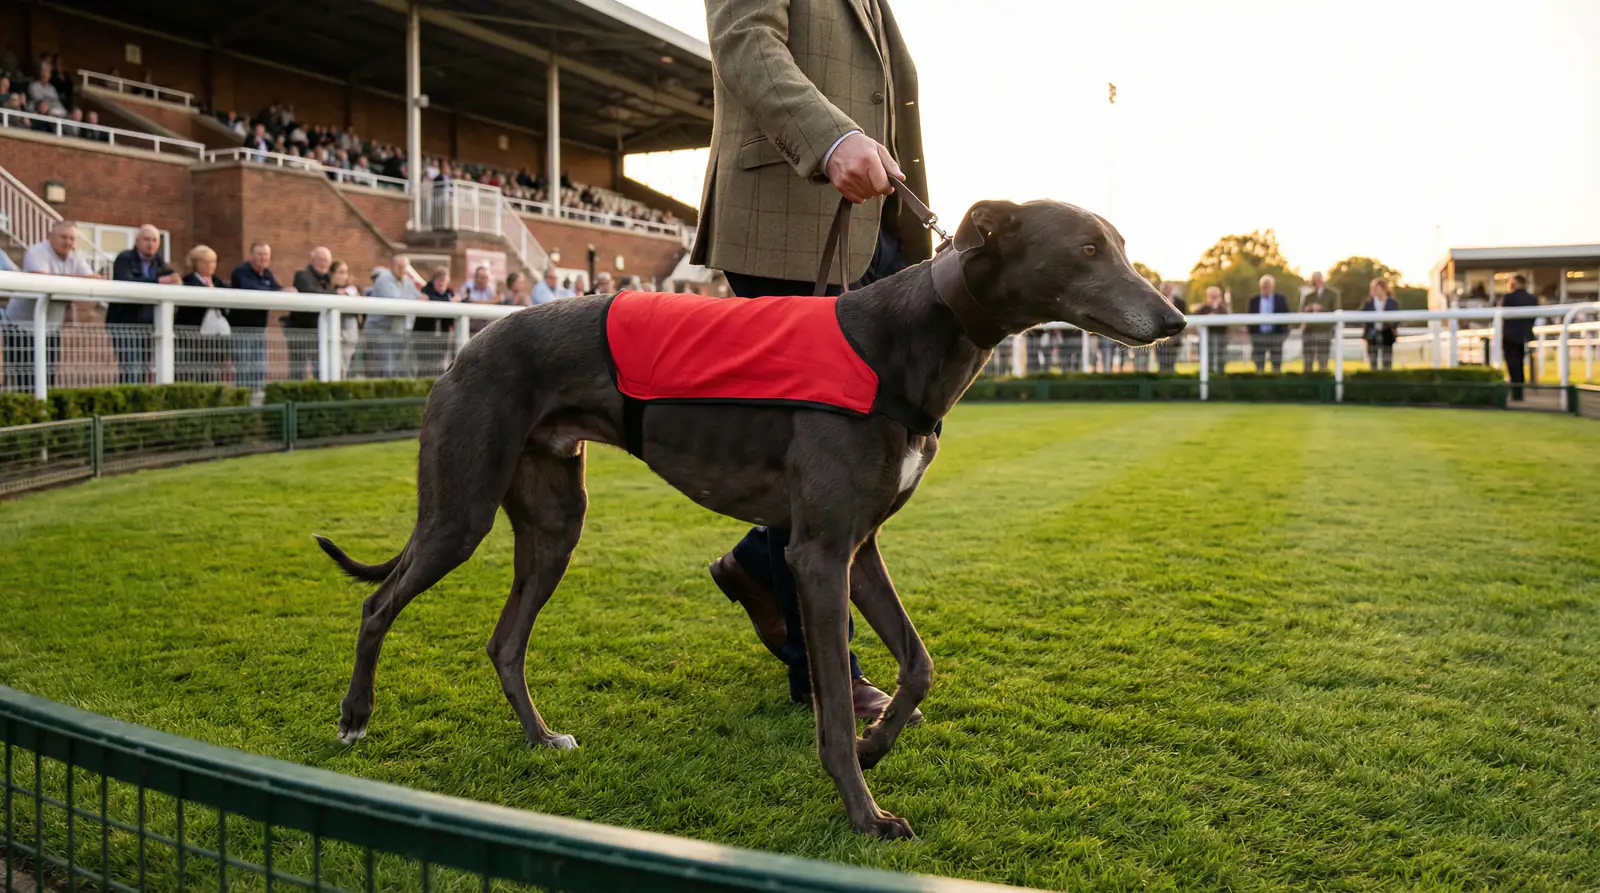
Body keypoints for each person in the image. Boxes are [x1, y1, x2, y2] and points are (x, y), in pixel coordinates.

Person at [694, 0, 932, 718]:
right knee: (827, 453)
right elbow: (743, 40)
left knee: (897, 437)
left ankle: (760, 564)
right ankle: (825, 670)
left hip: (877, 227)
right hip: (789, 216)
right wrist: (831, 140)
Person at [108, 224, 180, 384]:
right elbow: (126, 282)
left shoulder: (159, 262)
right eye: (147, 239)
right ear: (137, 241)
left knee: (143, 368)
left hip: (148, 324)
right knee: (131, 368)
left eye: (154, 240)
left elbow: (171, 278)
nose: (150, 244)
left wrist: (176, 280)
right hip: (125, 322)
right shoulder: (124, 258)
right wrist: (159, 281)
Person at [228, 240, 293, 393]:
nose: (263, 258)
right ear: (251, 256)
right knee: (244, 365)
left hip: (259, 328)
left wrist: (287, 290)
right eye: (260, 254)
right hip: (241, 329)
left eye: (266, 255)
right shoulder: (241, 271)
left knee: (259, 365)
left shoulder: (267, 273)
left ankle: (257, 396)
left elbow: (275, 288)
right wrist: (277, 292)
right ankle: (243, 396)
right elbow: (251, 289)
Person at [365, 255, 424, 377]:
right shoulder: (383, 279)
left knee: (399, 366)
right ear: (392, 266)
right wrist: (415, 299)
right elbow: (396, 302)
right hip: (380, 330)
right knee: (387, 366)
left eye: (405, 267)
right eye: (400, 267)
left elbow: (418, 297)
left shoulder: (407, 281)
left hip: (398, 331)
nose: (403, 270)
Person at [178, 245, 227, 382]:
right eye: (208, 262)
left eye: (214, 262)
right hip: (193, 335)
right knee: (191, 369)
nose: (212, 266)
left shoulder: (218, 282)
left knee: (211, 370)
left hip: (214, 337)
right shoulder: (188, 281)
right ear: (198, 264)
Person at [1500, 274, 1538, 400]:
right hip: (1524, 336)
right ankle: (1519, 392)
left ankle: (1516, 392)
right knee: (1520, 364)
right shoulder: (1533, 299)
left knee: (1512, 365)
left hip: (1510, 337)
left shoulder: (1508, 298)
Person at [418, 268, 456, 374]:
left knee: (440, 360)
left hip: (443, 334)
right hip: (425, 334)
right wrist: (449, 301)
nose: (441, 283)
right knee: (425, 362)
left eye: (444, 280)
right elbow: (428, 300)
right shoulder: (426, 290)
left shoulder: (449, 292)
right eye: (439, 280)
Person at [1248, 275, 1289, 372]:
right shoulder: (1254, 300)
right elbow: (1249, 318)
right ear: (1260, 286)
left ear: (1272, 286)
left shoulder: (1280, 299)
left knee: (1276, 363)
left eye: (1268, 285)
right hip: (1259, 336)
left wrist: (1283, 334)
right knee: (1259, 363)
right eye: (1264, 285)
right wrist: (1252, 335)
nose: (1266, 287)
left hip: (1275, 335)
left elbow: (1286, 316)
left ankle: (1276, 382)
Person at [1360, 277, 1400, 371]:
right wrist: (1364, 334)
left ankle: (1386, 379)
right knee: (1373, 360)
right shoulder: (1368, 303)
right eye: (1376, 289)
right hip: (1372, 334)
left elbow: (1396, 320)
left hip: (1387, 333)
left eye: (1380, 289)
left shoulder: (1393, 303)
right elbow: (1363, 320)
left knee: (1387, 360)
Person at [329, 260, 362, 373]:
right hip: (332, 332)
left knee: (345, 365)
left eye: (346, 272)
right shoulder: (327, 290)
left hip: (349, 332)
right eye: (341, 272)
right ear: (333, 274)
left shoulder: (352, 289)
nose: (344, 276)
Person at [1301, 271, 1335, 373]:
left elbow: (1336, 311)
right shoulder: (1308, 296)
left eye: (1317, 281)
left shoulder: (1332, 294)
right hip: (1309, 331)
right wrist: (1309, 309)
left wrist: (1321, 309)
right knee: (1307, 360)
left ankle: (1323, 380)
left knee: (1323, 359)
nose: (1315, 284)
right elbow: (1302, 311)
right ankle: (1307, 381)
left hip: (1324, 331)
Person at [1193, 286, 1229, 375]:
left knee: (1221, 361)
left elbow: (1226, 324)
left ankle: (1220, 377)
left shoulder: (1223, 309)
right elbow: (1194, 317)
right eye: (1211, 297)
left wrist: (1216, 311)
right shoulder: (1203, 309)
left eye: (1215, 297)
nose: (1213, 299)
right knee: (1206, 361)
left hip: (1220, 342)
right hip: (1205, 343)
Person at [1155, 283, 1187, 374]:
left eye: (1167, 288)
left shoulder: (1180, 302)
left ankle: (1171, 375)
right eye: (1164, 288)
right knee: (1161, 361)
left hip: (1175, 336)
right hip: (1160, 337)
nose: (1166, 290)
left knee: (1172, 360)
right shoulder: (1156, 300)